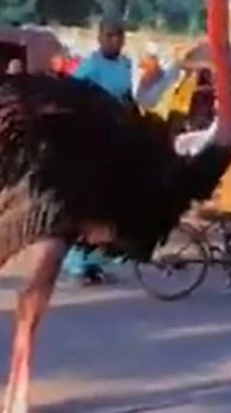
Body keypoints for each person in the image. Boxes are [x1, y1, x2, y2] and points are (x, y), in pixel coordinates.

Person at [63, 18, 133, 285]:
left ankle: (96, 262)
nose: (115, 40)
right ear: (100, 38)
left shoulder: (126, 64)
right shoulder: (90, 66)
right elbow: (69, 94)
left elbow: (127, 96)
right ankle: (76, 262)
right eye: (110, 35)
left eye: (119, 36)